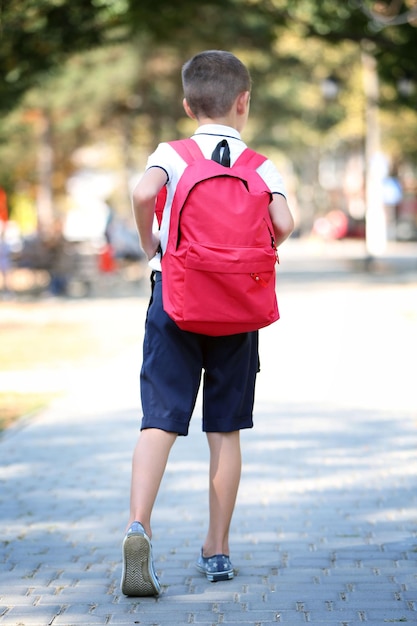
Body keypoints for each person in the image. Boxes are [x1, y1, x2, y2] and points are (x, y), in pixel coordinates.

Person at [121, 50, 294, 597]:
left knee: (160, 419)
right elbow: (285, 222)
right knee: (224, 428)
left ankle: (138, 526)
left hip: (174, 298)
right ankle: (216, 549)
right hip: (238, 306)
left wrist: (153, 242)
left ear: (187, 104)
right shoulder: (261, 165)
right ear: (244, 102)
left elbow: (144, 192)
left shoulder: (171, 154)